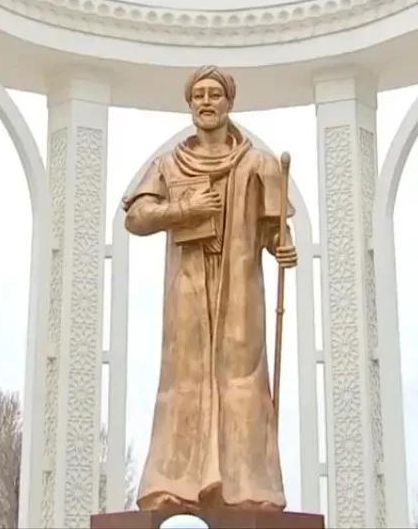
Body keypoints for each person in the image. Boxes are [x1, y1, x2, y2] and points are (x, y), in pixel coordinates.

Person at [122, 65, 297, 512]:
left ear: (228, 102)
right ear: (189, 103)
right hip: (187, 288)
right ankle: (173, 483)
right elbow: (136, 218)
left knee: (243, 378)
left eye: (214, 94)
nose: (206, 101)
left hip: (240, 288)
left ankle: (251, 486)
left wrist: (282, 245)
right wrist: (185, 208)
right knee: (184, 379)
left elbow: (274, 228)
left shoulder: (259, 164)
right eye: (198, 94)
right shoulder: (168, 164)